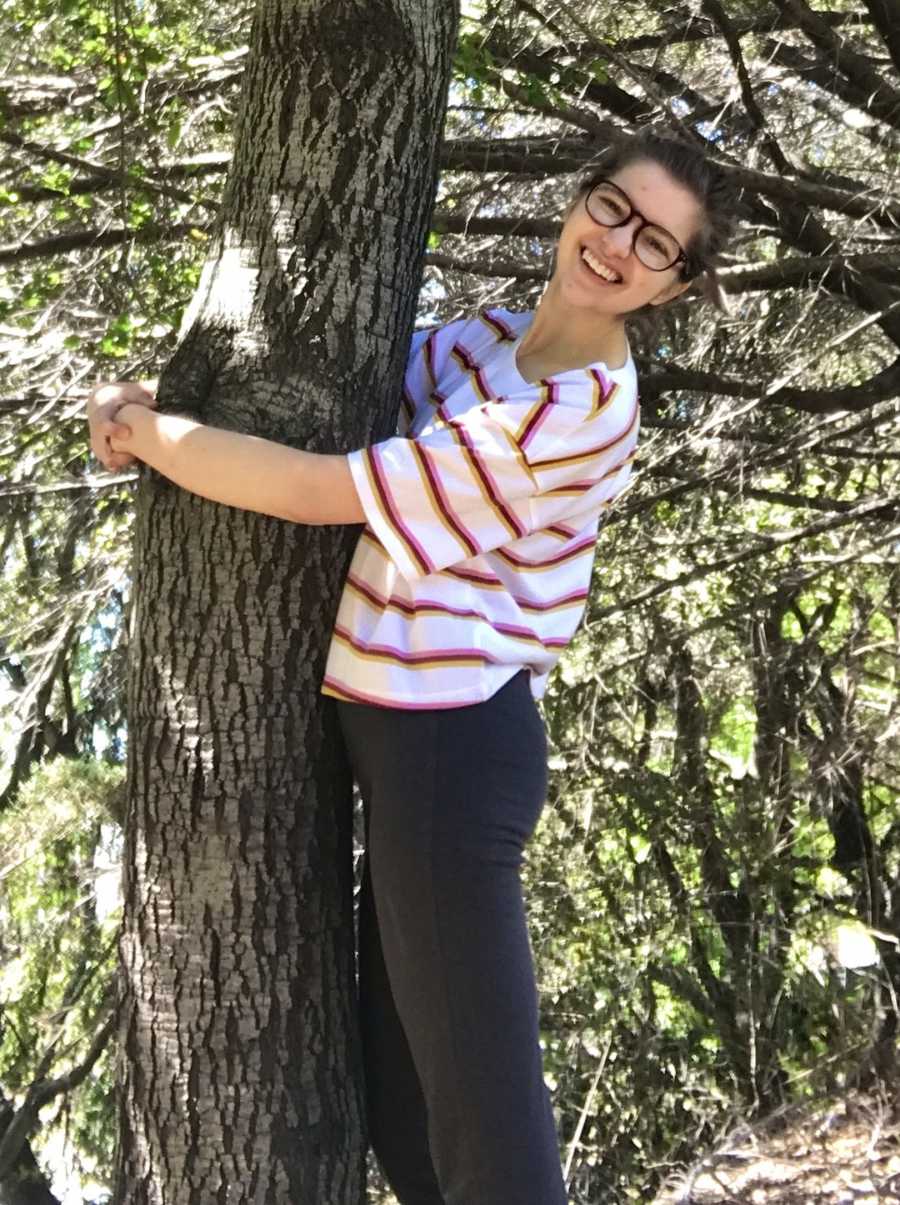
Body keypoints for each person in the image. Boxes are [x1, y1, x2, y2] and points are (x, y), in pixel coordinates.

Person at [87, 130, 736, 1205]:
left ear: (676, 283)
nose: (616, 243)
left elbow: (321, 486)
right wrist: (144, 399)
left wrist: (158, 440)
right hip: (405, 747)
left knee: (490, 1145)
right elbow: (304, 400)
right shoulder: (483, 342)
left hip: (450, 752)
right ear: (582, 200)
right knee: (403, 1116)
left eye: (655, 241)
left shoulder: (577, 415)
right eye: (612, 207)